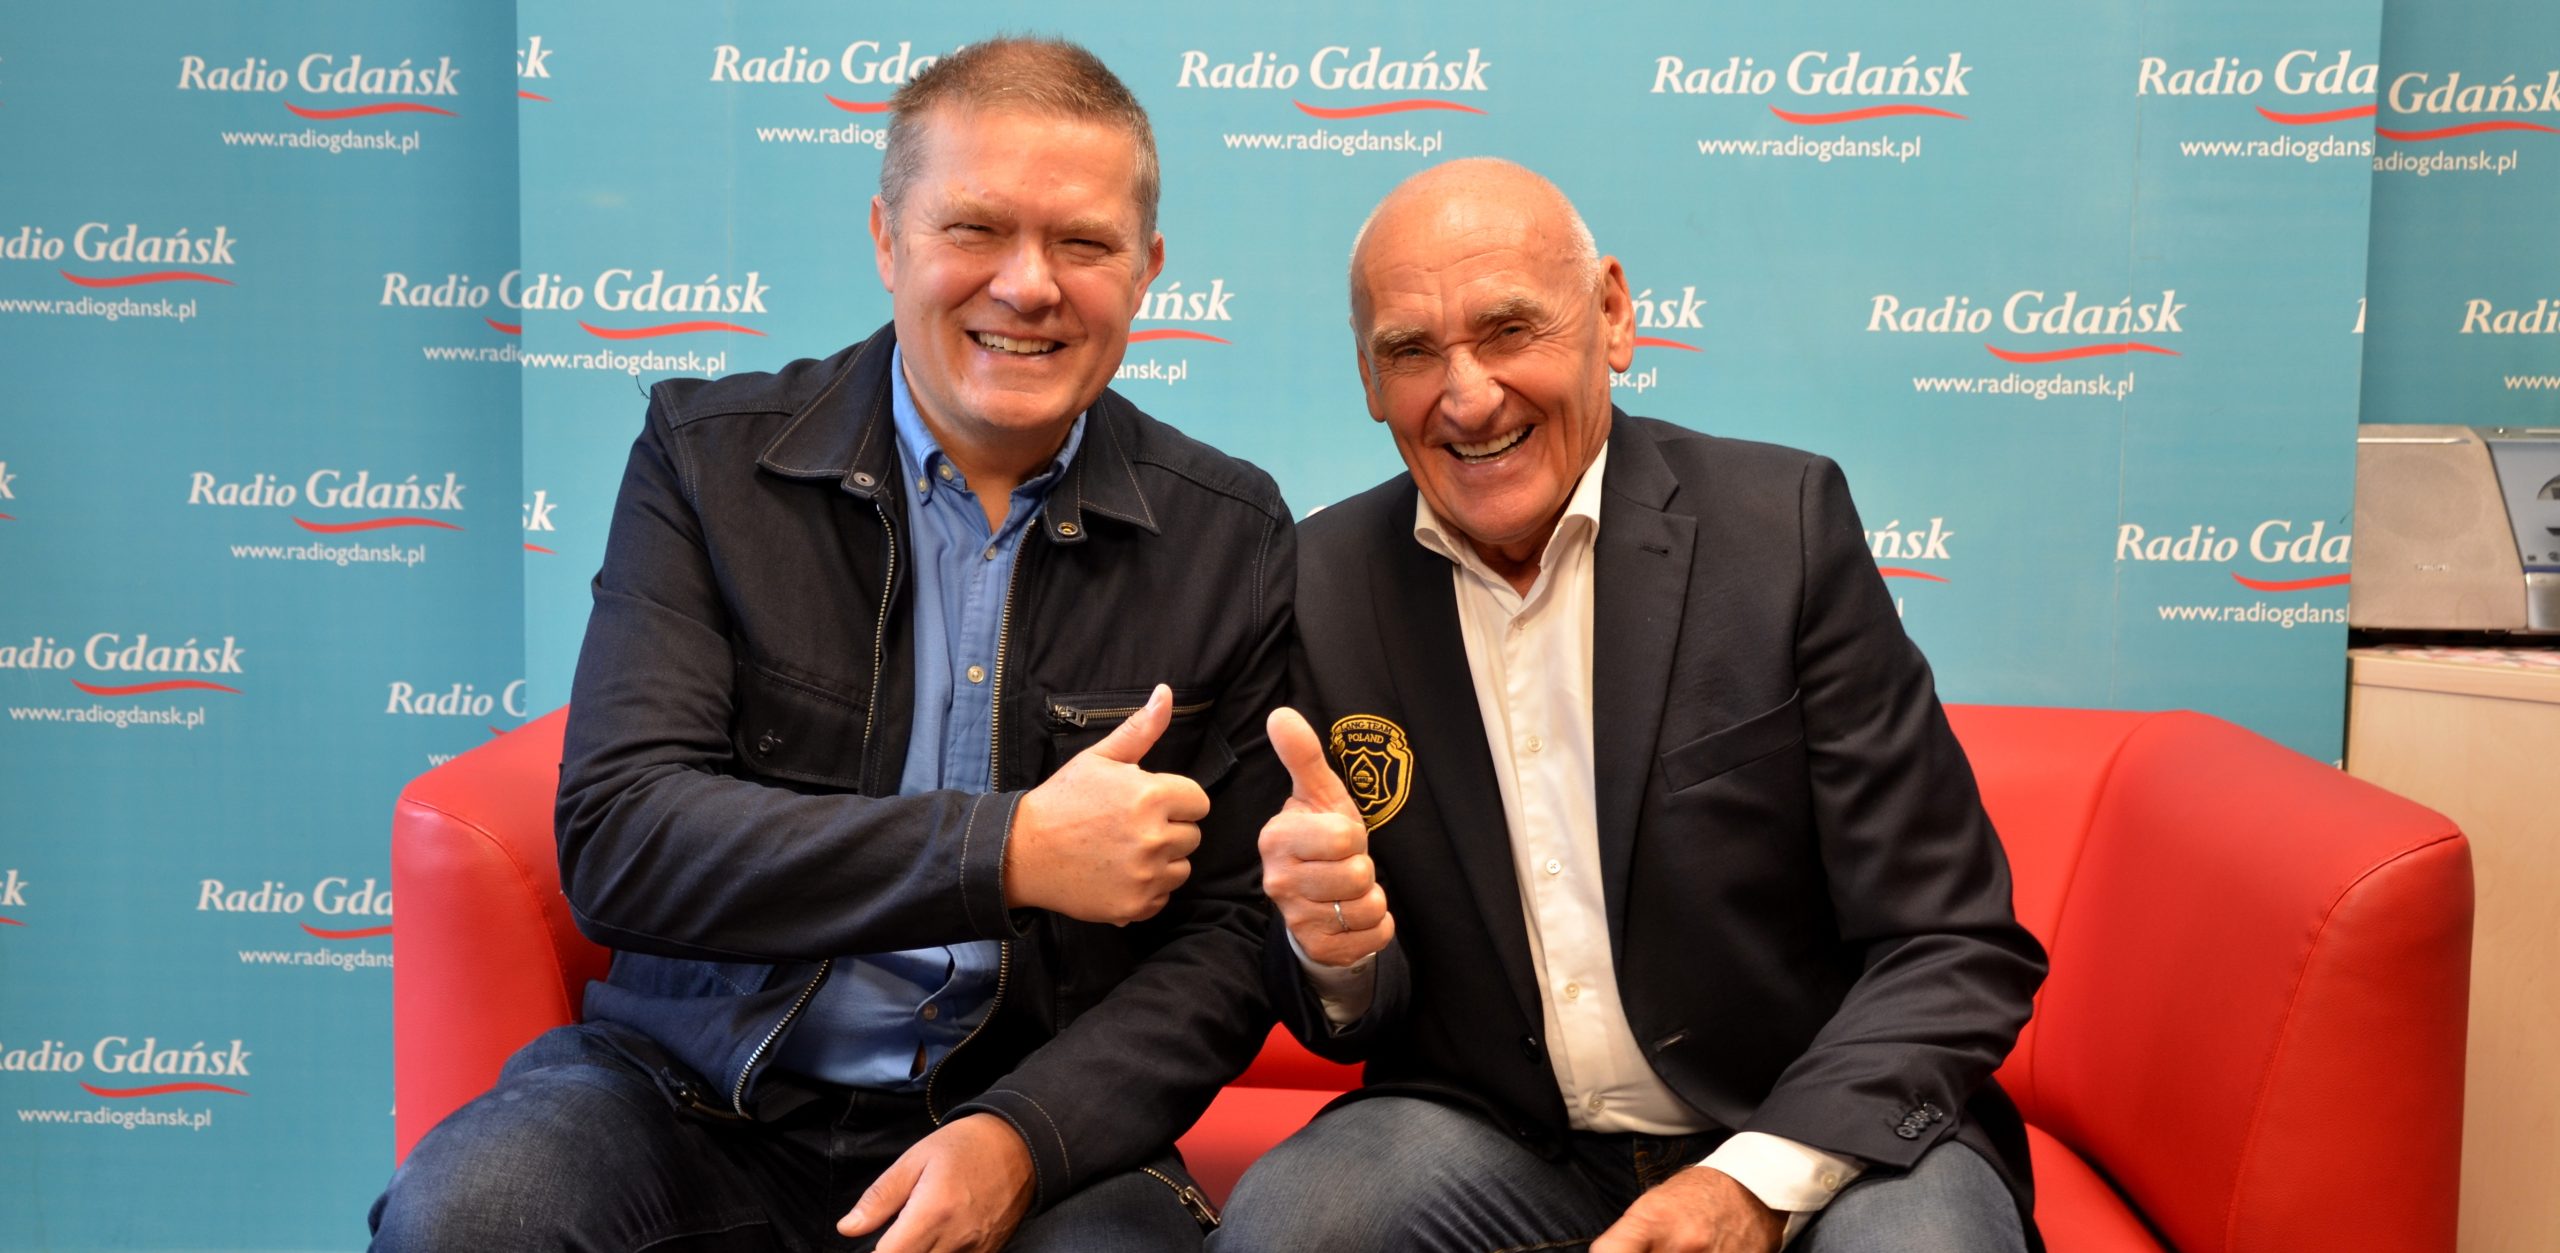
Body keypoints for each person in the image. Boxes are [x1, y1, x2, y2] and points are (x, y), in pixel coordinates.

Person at [372, 37, 1293, 1252]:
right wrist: (1004, 848)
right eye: (975, 229)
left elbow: (1231, 935)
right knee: (478, 1215)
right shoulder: (708, 461)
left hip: (1038, 1117)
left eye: (1083, 243)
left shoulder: (1228, 533)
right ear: (887, 239)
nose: (1029, 285)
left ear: (1147, 270)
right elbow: (622, 837)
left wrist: (1023, 1135)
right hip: (696, 1098)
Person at [1215, 159, 2048, 1253]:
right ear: (1369, 379)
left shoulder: (1782, 529)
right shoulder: (1317, 585)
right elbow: (1343, 1008)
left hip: (1813, 1130)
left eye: (1509, 330)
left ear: (1610, 314)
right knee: (1293, 1224)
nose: (1466, 397)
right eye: (1411, 351)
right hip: (1503, 1141)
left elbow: (1952, 938)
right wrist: (1333, 948)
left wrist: (1749, 1185)